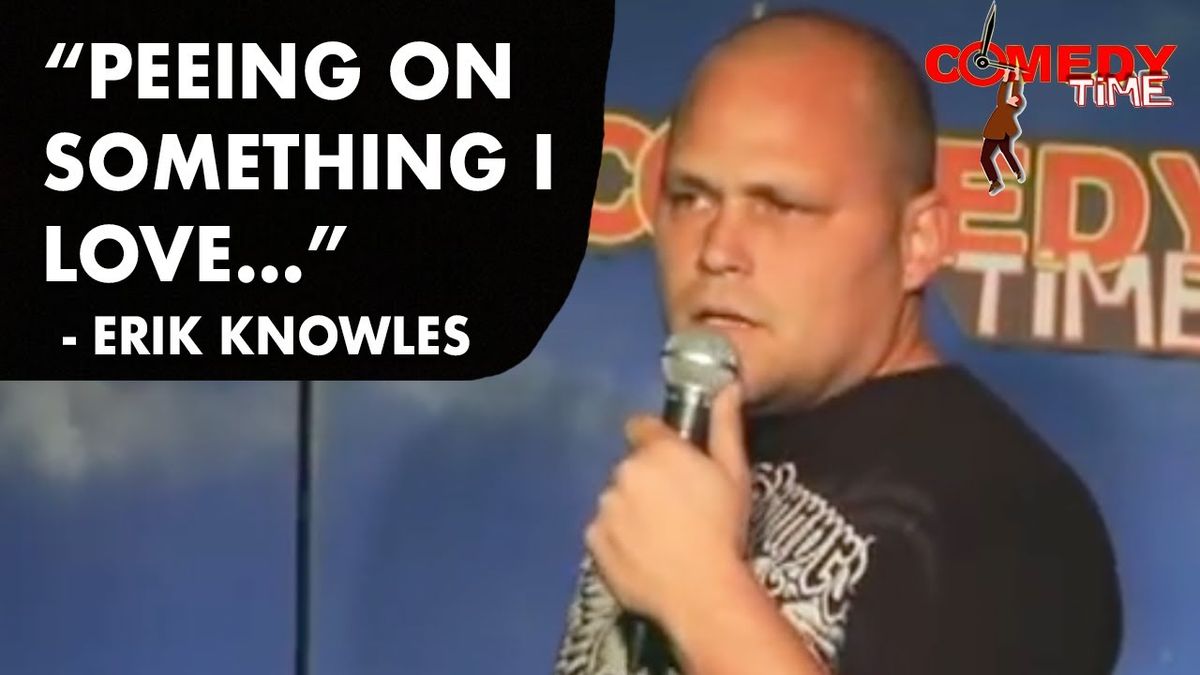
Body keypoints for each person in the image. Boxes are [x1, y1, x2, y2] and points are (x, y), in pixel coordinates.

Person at [553, 9, 1122, 675]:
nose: (717, 250)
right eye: (691, 198)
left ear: (918, 242)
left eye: (781, 206)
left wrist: (704, 599)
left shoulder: (1006, 515)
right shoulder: (691, 466)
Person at [981, 67, 1027, 196]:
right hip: (998, 134)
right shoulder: (1005, 106)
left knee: (990, 157)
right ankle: (1012, 174)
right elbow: (1008, 93)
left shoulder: (1006, 107)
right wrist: (1009, 77)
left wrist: (1011, 78)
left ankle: (1000, 179)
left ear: (1016, 104)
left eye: (1014, 99)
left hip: (999, 134)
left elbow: (1011, 92)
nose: (1011, 98)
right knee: (1005, 153)